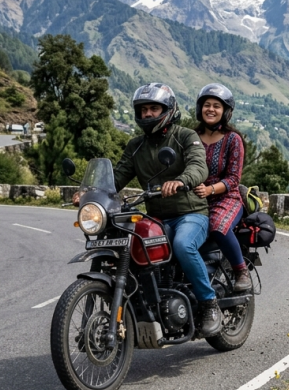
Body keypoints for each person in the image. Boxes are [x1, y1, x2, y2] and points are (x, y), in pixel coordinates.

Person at [77, 82, 221, 337]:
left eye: (154, 108)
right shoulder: (136, 146)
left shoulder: (186, 136)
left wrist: (182, 181)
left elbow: (200, 167)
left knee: (182, 246)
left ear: (168, 109)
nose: (147, 114)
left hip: (191, 214)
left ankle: (209, 304)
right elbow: (117, 177)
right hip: (157, 217)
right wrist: (90, 193)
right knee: (132, 246)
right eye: (143, 110)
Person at [192, 84, 252, 292]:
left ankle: (240, 270)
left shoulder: (233, 139)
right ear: (200, 108)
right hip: (194, 198)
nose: (211, 109)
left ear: (225, 111)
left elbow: (234, 178)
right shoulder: (191, 137)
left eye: (216, 106)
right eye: (206, 105)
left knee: (217, 225)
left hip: (226, 198)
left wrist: (210, 190)